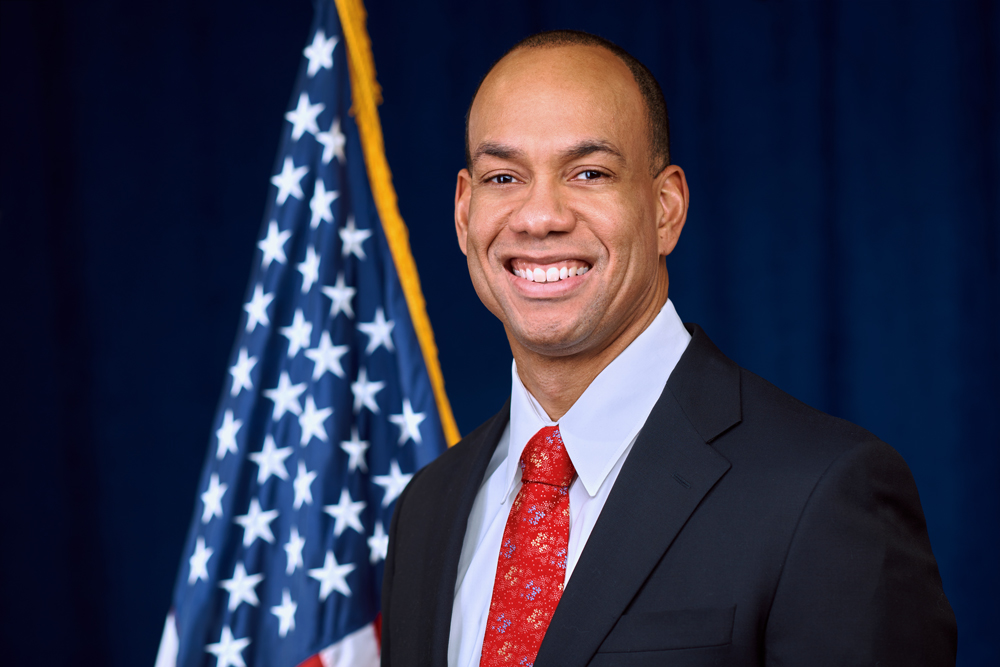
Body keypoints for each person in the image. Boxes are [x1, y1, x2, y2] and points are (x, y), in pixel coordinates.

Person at [380, 30, 956, 667]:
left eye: (589, 172)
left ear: (665, 208)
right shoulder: (426, 509)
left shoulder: (821, 493)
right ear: (465, 214)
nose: (538, 216)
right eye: (504, 176)